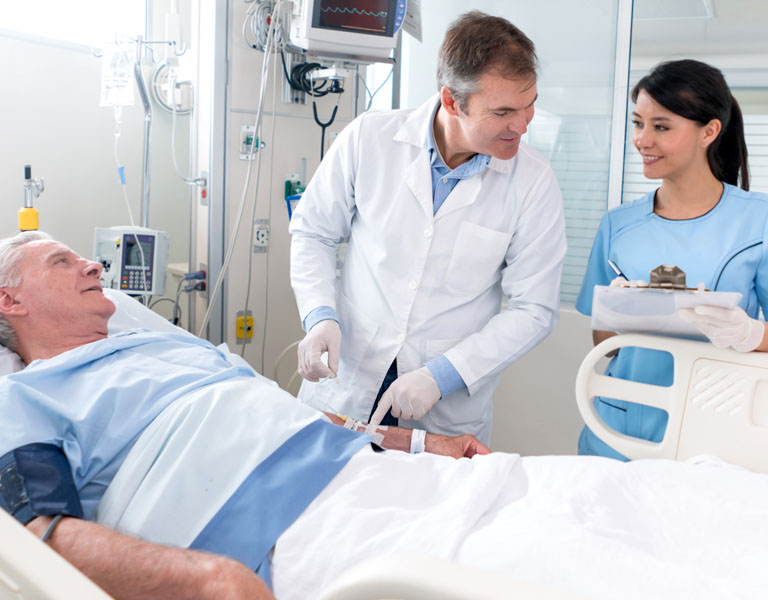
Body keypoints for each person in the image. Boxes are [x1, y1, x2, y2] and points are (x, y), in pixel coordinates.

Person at [0, 231, 491, 600]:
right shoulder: (27, 395)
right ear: (9, 300)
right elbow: (39, 535)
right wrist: (209, 578)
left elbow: (287, 414)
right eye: (62, 261)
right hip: (280, 522)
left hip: (365, 471)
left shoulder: (159, 341)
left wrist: (420, 443)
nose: (91, 265)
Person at [289, 11, 567, 444]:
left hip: (445, 403)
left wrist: (442, 376)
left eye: (529, 103)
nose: (523, 123)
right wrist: (320, 316)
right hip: (351, 374)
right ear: (453, 101)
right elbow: (313, 232)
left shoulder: (533, 181)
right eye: (504, 112)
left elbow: (534, 309)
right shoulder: (370, 139)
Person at [575, 59, 768, 460]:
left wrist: (748, 333)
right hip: (620, 425)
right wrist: (618, 312)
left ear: (709, 131)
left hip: (717, 431)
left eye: (661, 127)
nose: (643, 140)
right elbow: (606, 345)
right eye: (638, 123)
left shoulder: (758, 221)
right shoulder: (618, 225)